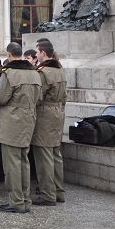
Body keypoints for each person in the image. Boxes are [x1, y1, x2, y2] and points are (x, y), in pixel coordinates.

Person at [0, 42, 41, 214]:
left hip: (12, 121)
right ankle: (25, 199)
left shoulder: (10, 74)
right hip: (29, 120)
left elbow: (0, 99)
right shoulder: (34, 73)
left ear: (8, 55)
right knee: (24, 161)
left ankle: (16, 201)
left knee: (12, 163)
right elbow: (39, 97)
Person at [31, 40, 67, 206]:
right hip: (58, 111)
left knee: (43, 154)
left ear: (43, 53)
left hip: (45, 113)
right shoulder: (59, 70)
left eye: (37, 53)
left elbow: (38, 96)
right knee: (55, 154)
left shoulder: (43, 72)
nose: (36, 56)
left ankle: (47, 194)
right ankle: (59, 191)